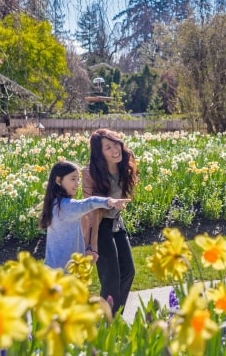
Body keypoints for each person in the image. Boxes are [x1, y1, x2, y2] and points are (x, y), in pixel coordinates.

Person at [82, 129, 139, 315]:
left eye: (115, 144)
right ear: (100, 153)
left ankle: (115, 320)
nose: (115, 150)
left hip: (116, 222)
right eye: (108, 147)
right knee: (111, 280)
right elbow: (92, 211)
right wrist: (92, 245)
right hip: (99, 226)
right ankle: (106, 326)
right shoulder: (91, 173)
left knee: (128, 271)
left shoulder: (124, 166)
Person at [39, 160, 129, 270]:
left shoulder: (53, 204)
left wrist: (87, 250)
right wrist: (110, 201)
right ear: (58, 180)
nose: (77, 183)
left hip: (51, 271)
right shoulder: (67, 206)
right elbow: (89, 203)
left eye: (78, 179)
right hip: (65, 275)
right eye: (73, 179)